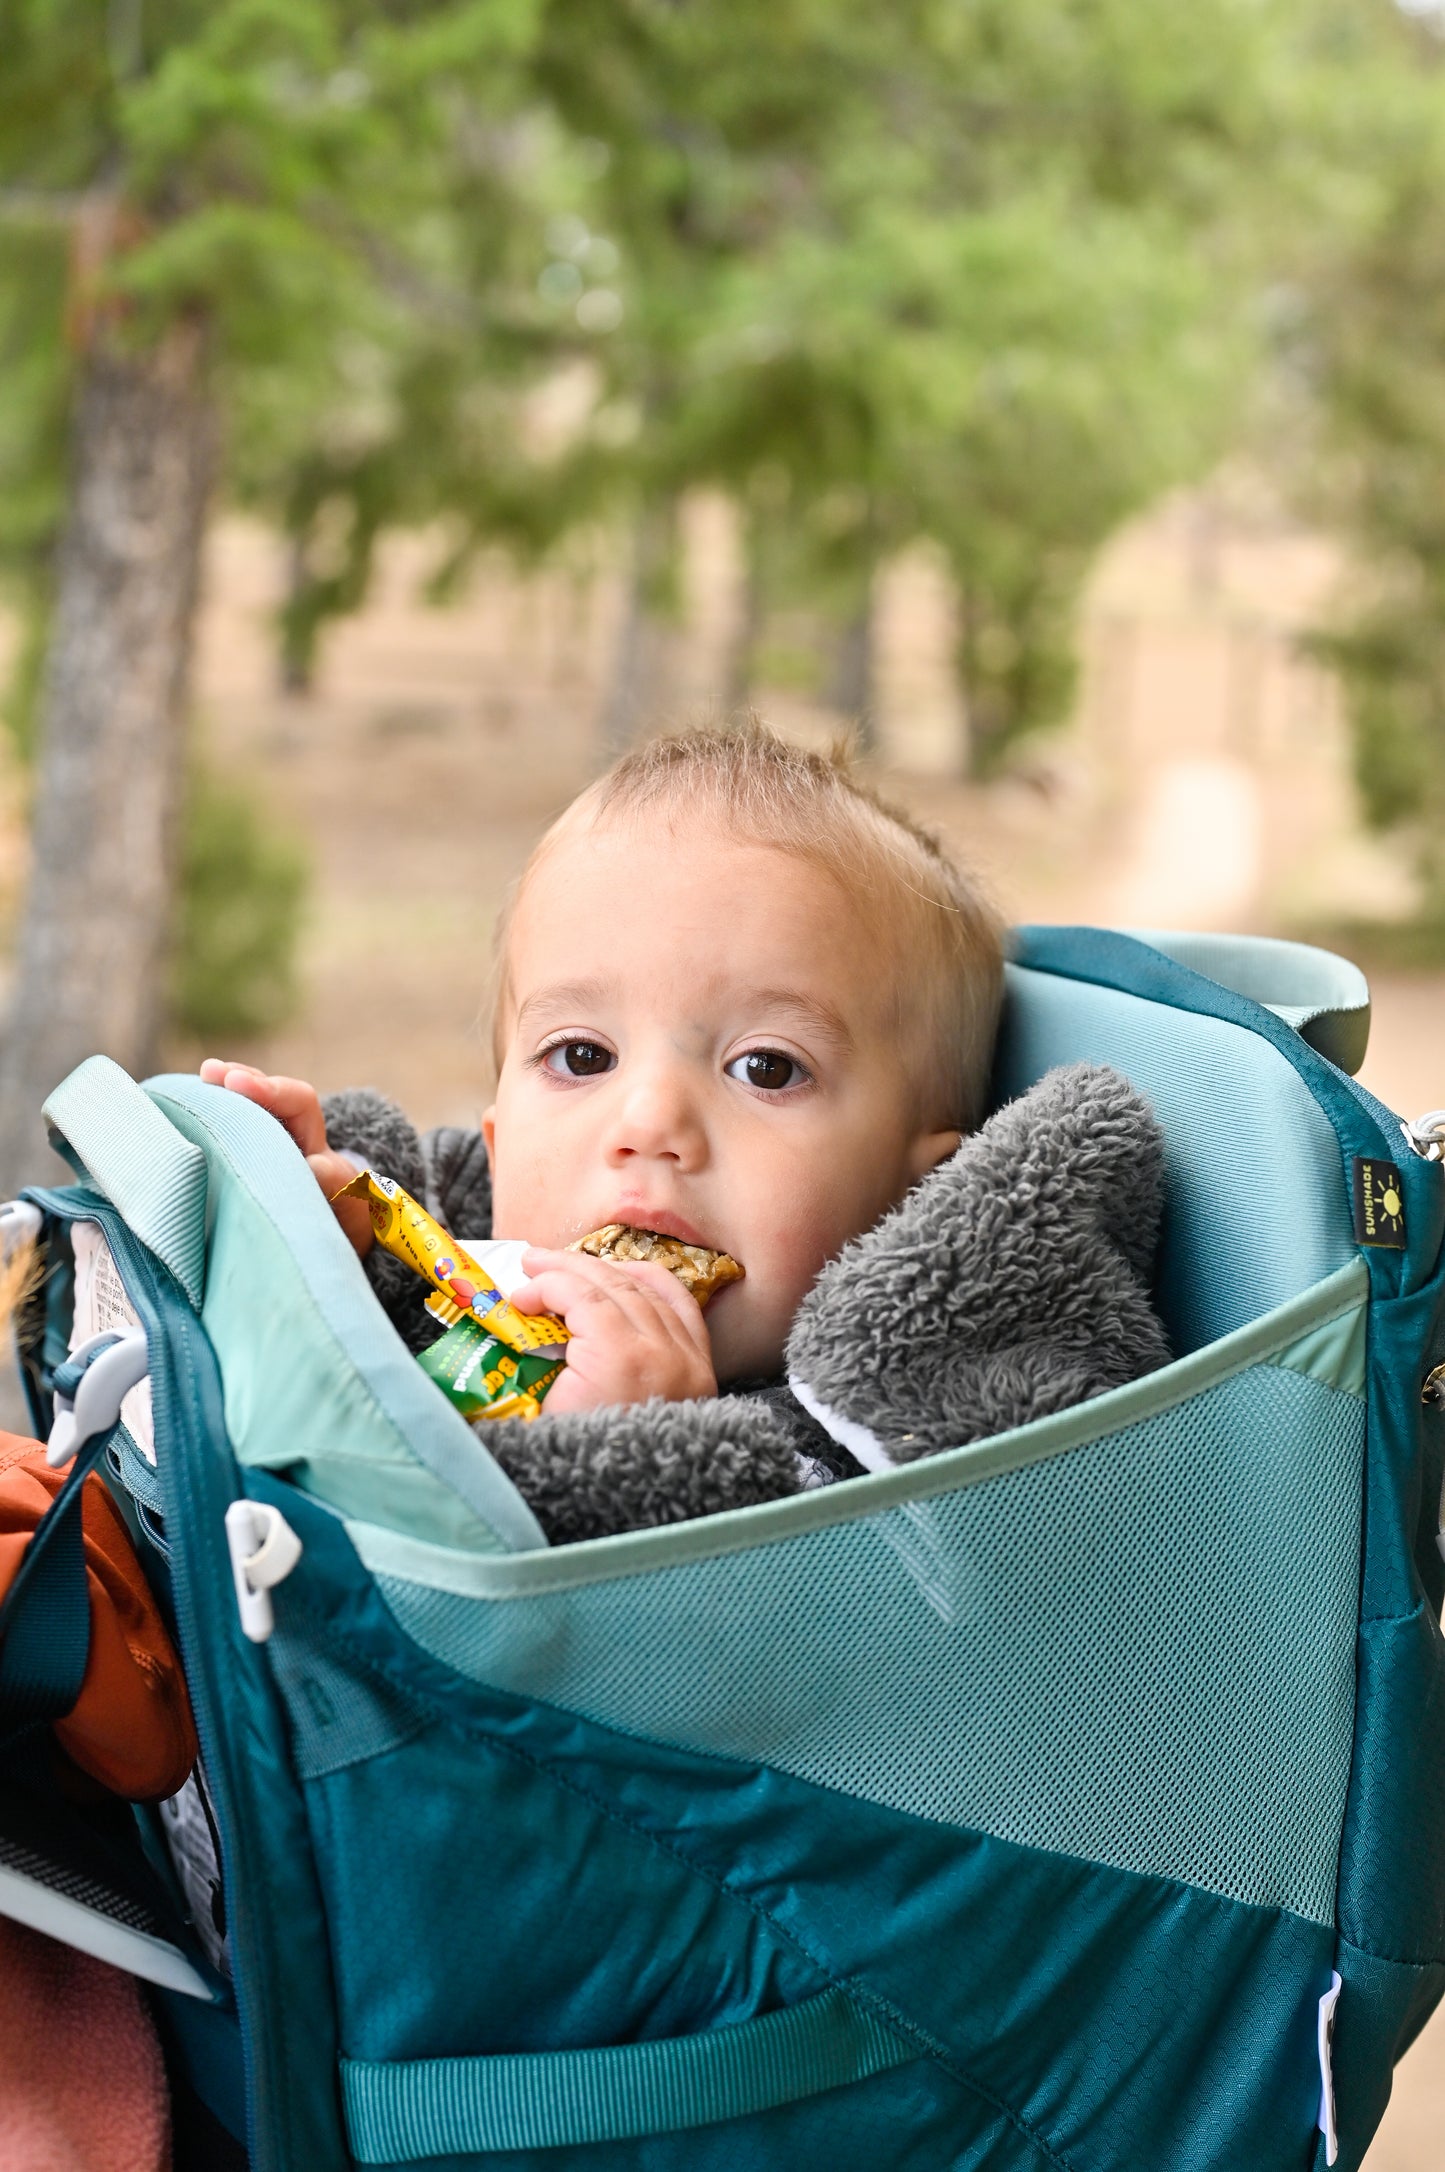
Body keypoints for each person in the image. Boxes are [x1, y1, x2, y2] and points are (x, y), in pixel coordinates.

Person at [201, 722, 1007, 1421]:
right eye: (582, 1056)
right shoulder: (451, 1292)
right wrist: (325, 1288)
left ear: (917, 1206)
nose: (648, 1122)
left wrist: (647, 1453)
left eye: (764, 1068)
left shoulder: (896, 1442)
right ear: (497, 1146)